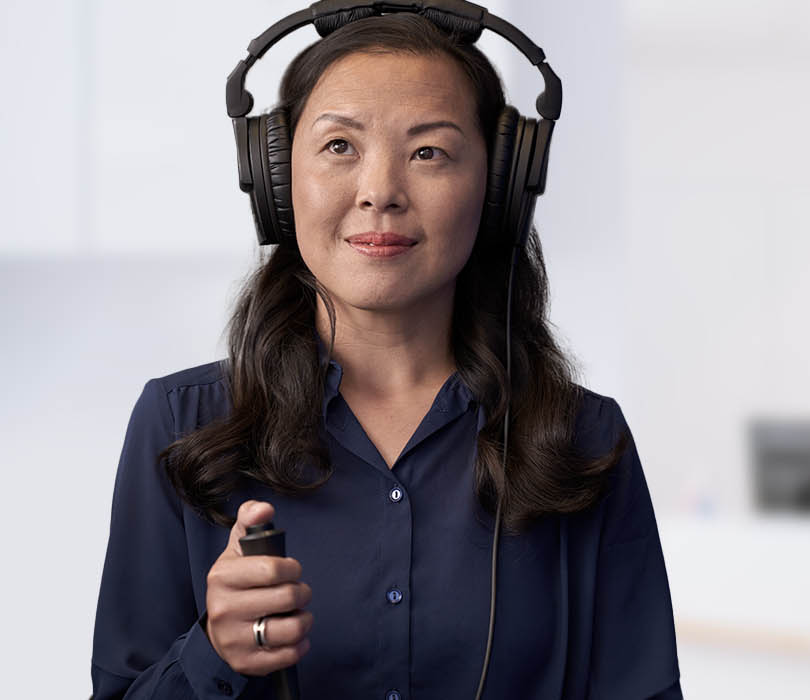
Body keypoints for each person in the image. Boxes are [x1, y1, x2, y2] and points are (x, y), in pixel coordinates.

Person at [88, 12, 681, 700]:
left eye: (429, 152)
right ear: (278, 180)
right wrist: (213, 654)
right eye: (340, 146)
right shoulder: (178, 426)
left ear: (496, 190)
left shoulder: (583, 441)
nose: (380, 192)